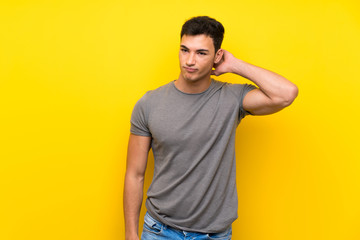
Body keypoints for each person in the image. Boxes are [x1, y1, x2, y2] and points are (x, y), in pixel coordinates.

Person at [124, 16, 298, 240]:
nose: (189, 60)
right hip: (159, 230)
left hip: (213, 235)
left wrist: (234, 65)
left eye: (201, 53)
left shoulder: (232, 98)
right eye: (184, 50)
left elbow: (286, 94)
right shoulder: (149, 104)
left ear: (217, 55)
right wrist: (130, 233)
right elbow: (134, 174)